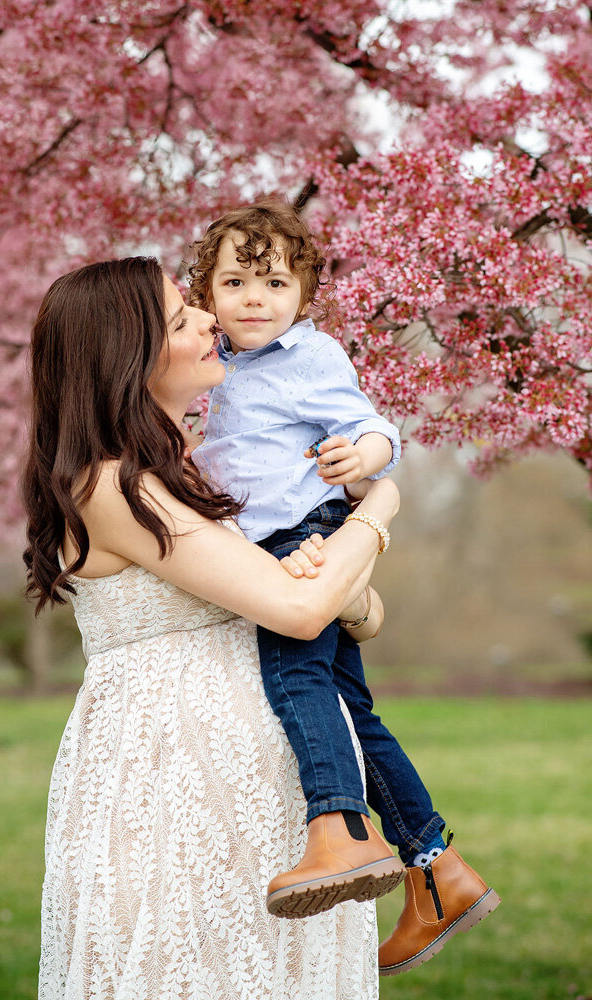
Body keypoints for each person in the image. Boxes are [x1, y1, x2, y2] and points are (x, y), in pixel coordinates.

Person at [22, 256, 401, 999]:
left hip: (269, 783)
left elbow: (355, 615)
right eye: (179, 319)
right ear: (127, 358)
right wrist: (378, 510)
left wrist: (337, 588)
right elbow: (297, 608)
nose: (209, 321)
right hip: (170, 782)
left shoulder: (196, 472)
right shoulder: (106, 485)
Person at [188, 200, 500, 972]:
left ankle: (336, 828)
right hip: (265, 542)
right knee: (351, 709)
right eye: (234, 281)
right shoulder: (216, 364)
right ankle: (436, 867)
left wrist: (362, 459)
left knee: (293, 678)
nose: (253, 297)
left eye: (272, 281)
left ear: (303, 294)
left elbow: (377, 429)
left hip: (302, 535)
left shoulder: (308, 357)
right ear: (207, 293)